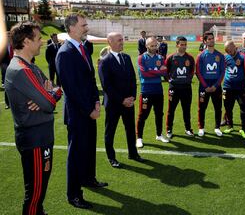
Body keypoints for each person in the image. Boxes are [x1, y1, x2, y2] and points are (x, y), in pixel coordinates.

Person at [5, 21, 62, 215]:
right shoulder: (21, 70)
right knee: (35, 192)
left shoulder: (31, 66)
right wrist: (47, 97)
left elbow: (55, 88)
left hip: (41, 136)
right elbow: (50, 102)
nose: (42, 41)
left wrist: (48, 95)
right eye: (38, 39)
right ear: (27, 41)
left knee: (40, 190)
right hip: (34, 139)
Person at [55, 14, 107, 209]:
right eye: (84, 25)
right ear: (72, 28)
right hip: (78, 114)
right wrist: (88, 109)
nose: (87, 28)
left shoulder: (82, 48)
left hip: (88, 110)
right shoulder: (65, 53)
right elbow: (71, 88)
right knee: (76, 154)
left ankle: (88, 179)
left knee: (88, 148)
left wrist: (96, 101)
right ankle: (74, 194)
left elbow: (90, 79)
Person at [98, 32, 144, 168]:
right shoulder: (105, 62)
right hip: (113, 104)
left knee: (130, 129)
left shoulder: (126, 58)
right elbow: (107, 86)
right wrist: (122, 100)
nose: (122, 42)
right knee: (110, 131)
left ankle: (133, 153)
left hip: (129, 102)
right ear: (110, 42)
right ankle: (111, 157)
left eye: (122, 40)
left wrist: (132, 97)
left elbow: (132, 79)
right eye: (119, 40)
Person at [136, 36, 169, 148]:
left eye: (156, 45)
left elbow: (164, 73)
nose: (154, 47)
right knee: (142, 115)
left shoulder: (160, 57)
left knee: (159, 114)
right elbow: (144, 74)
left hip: (158, 90)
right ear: (146, 46)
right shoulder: (141, 58)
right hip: (146, 90)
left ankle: (159, 135)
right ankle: (139, 138)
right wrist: (157, 72)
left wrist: (152, 71)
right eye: (152, 46)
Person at [165, 36, 195, 139]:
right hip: (174, 88)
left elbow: (192, 71)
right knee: (171, 110)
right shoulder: (171, 57)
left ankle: (188, 129)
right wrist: (170, 80)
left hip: (186, 87)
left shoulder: (190, 58)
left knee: (186, 109)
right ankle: (169, 129)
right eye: (182, 44)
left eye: (185, 44)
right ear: (177, 45)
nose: (184, 46)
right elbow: (166, 71)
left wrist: (187, 79)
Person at [195, 31, 225, 137]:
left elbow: (222, 72)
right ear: (205, 41)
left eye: (212, 38)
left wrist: (216, 86)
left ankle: (217, 127)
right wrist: (206, 86)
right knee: (202, 107)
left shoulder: (220, 55)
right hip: (204, 85)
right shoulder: (201, 56)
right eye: (209, 39)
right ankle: (201, 128)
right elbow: (198, 72)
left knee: (218, 107)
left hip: (216, 85)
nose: (211, 40)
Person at [222, 40, 245, 138]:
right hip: (228, 87)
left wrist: (240, 64)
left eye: (230, 49)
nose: (229, 52)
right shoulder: (225, 57)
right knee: (228, 107)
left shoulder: (243, 57)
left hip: (240, 87)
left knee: (243, 107)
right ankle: (230, 126)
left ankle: (243, 128)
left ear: (234, 46)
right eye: (227, 50)